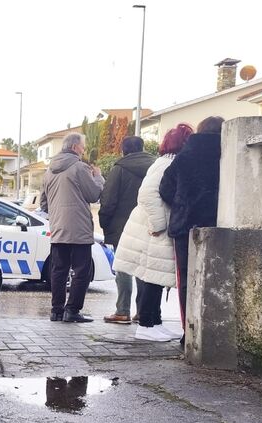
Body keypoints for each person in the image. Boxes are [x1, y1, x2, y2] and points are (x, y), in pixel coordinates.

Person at [113, 123, 194, 341]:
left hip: (151, 226)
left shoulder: (166, 162)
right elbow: (147, 194)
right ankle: (146, 326)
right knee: (152, 275)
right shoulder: (166, 164)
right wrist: (159, 225)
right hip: (153, 228)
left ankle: (153, 323)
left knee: (154, 275)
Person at [159, 116, 224, 337]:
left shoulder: (184, 156)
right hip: (220, 224)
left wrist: (181, 203)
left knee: (186, 279)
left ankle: (189, 331)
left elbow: (165, 188)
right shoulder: (228, 154)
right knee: (218, 278)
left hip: (185, 225)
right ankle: (214, 330)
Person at [40, 132, 105, 322]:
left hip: (58, 228)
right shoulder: (79, 168)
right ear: (76, 147)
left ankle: (56, 311)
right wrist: (99, 178)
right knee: (81, 271)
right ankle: (72, 311)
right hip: (79, 229)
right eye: (83, 146)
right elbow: (93, 195)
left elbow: (44, 204)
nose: (84, 150)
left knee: (58, 271)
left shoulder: (49, 171)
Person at [99, 136, 155, 324]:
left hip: (122, 227)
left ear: (124, 150)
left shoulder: (119, 169)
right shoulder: (154, 167)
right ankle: (142, 311)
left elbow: (108, 201)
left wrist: (105, 223)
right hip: (148, 225)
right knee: (143, 269)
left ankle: (122, 310)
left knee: (123, 267)